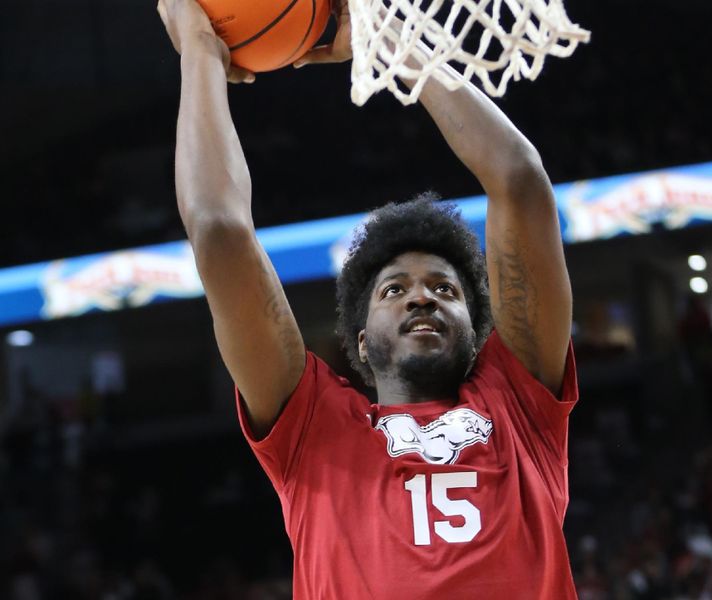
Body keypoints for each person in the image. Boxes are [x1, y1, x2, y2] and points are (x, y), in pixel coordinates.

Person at [158, 0, 579, 597]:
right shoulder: (313, 428)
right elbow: (220, 233)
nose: (422, 299)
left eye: (444, 289)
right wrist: (199, 50)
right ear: (359, 340)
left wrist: (396, 43)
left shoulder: (519, 407)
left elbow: (518, 179)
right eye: (395, 290)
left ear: (478, 329)